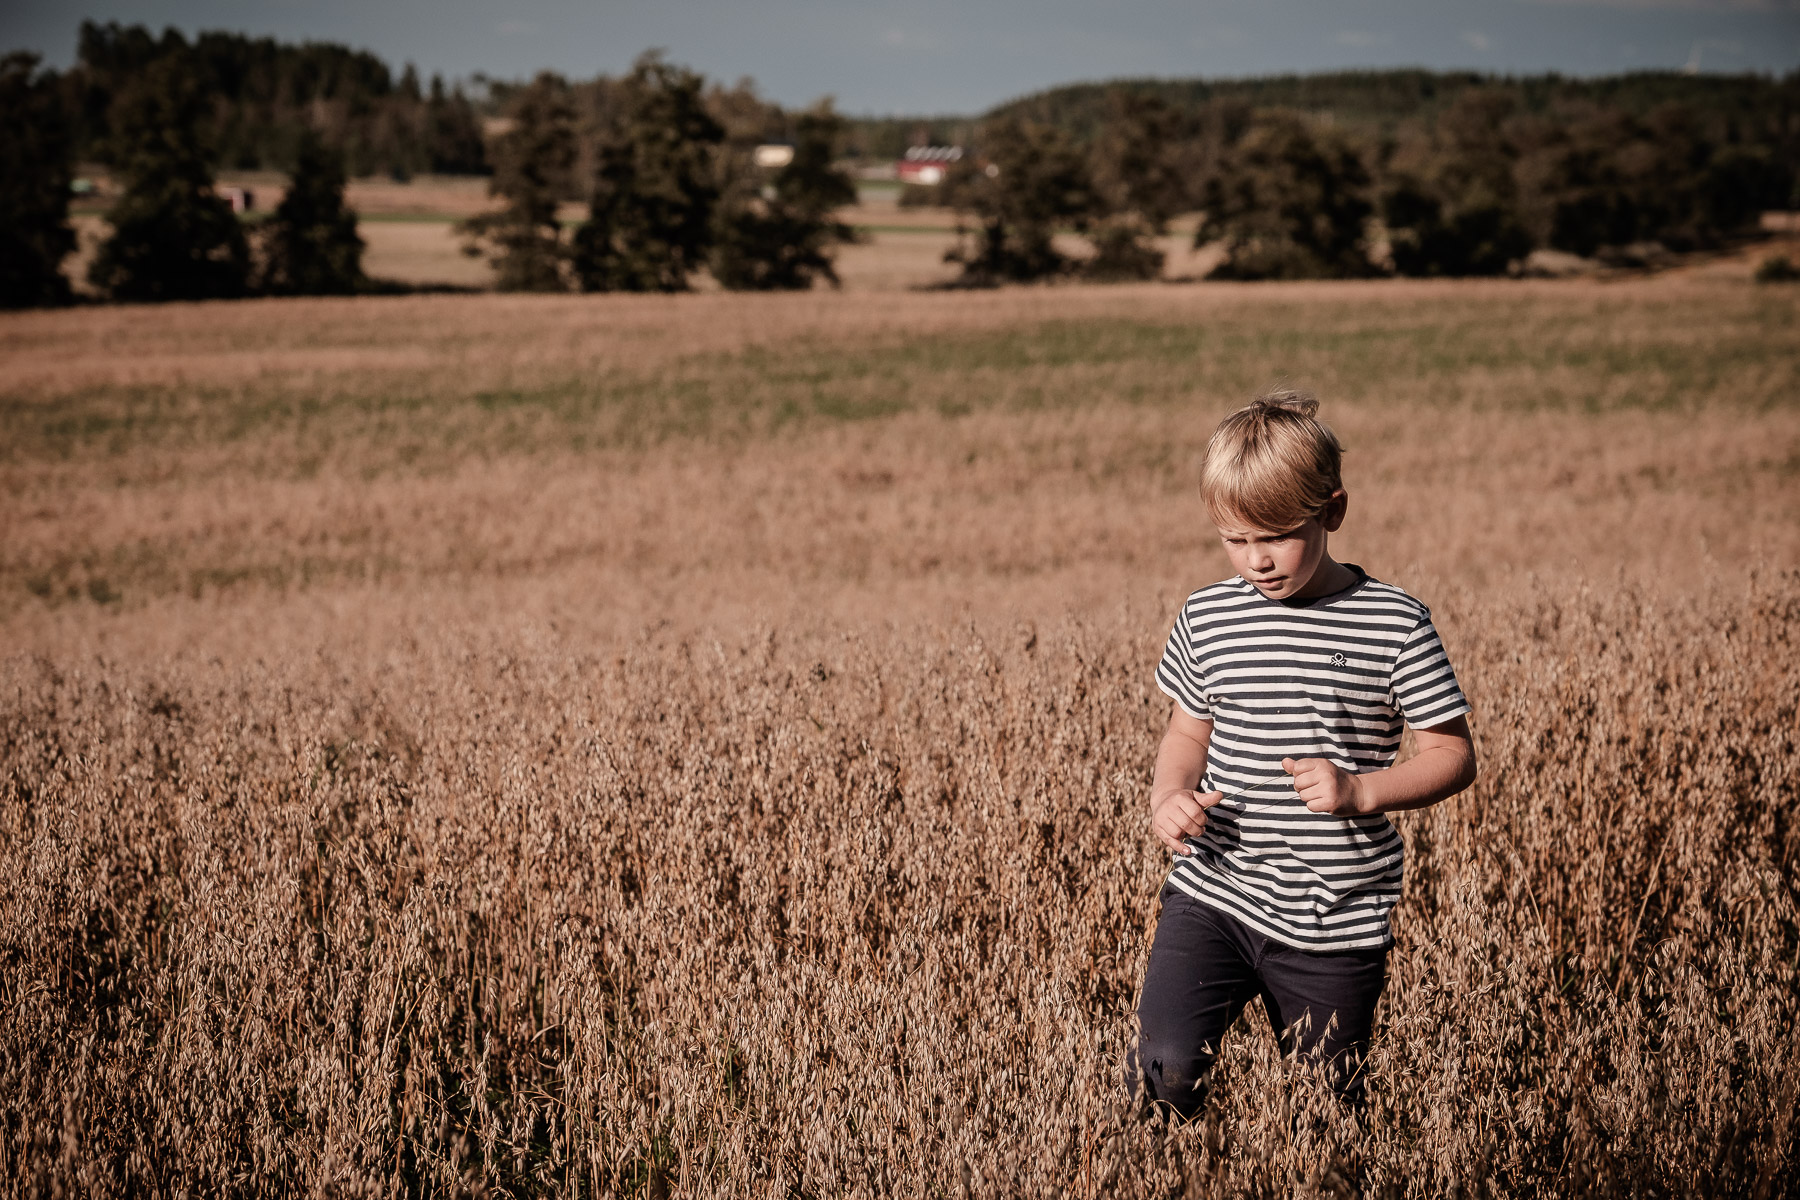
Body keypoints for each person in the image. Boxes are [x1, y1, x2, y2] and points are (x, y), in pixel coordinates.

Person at [1126, 390, 1477, 1119]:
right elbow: (1187, 733)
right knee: (1163, 1067)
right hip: (1214, 891)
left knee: (1325, 1109)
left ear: (1333, 511)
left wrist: (1361, 792)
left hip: (1335, 915)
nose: (1256, 560)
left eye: (1277, 536)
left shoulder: (1394, 624)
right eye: (1234, 539)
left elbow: (1451, 754)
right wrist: (1169, 797)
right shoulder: (1207, 615)